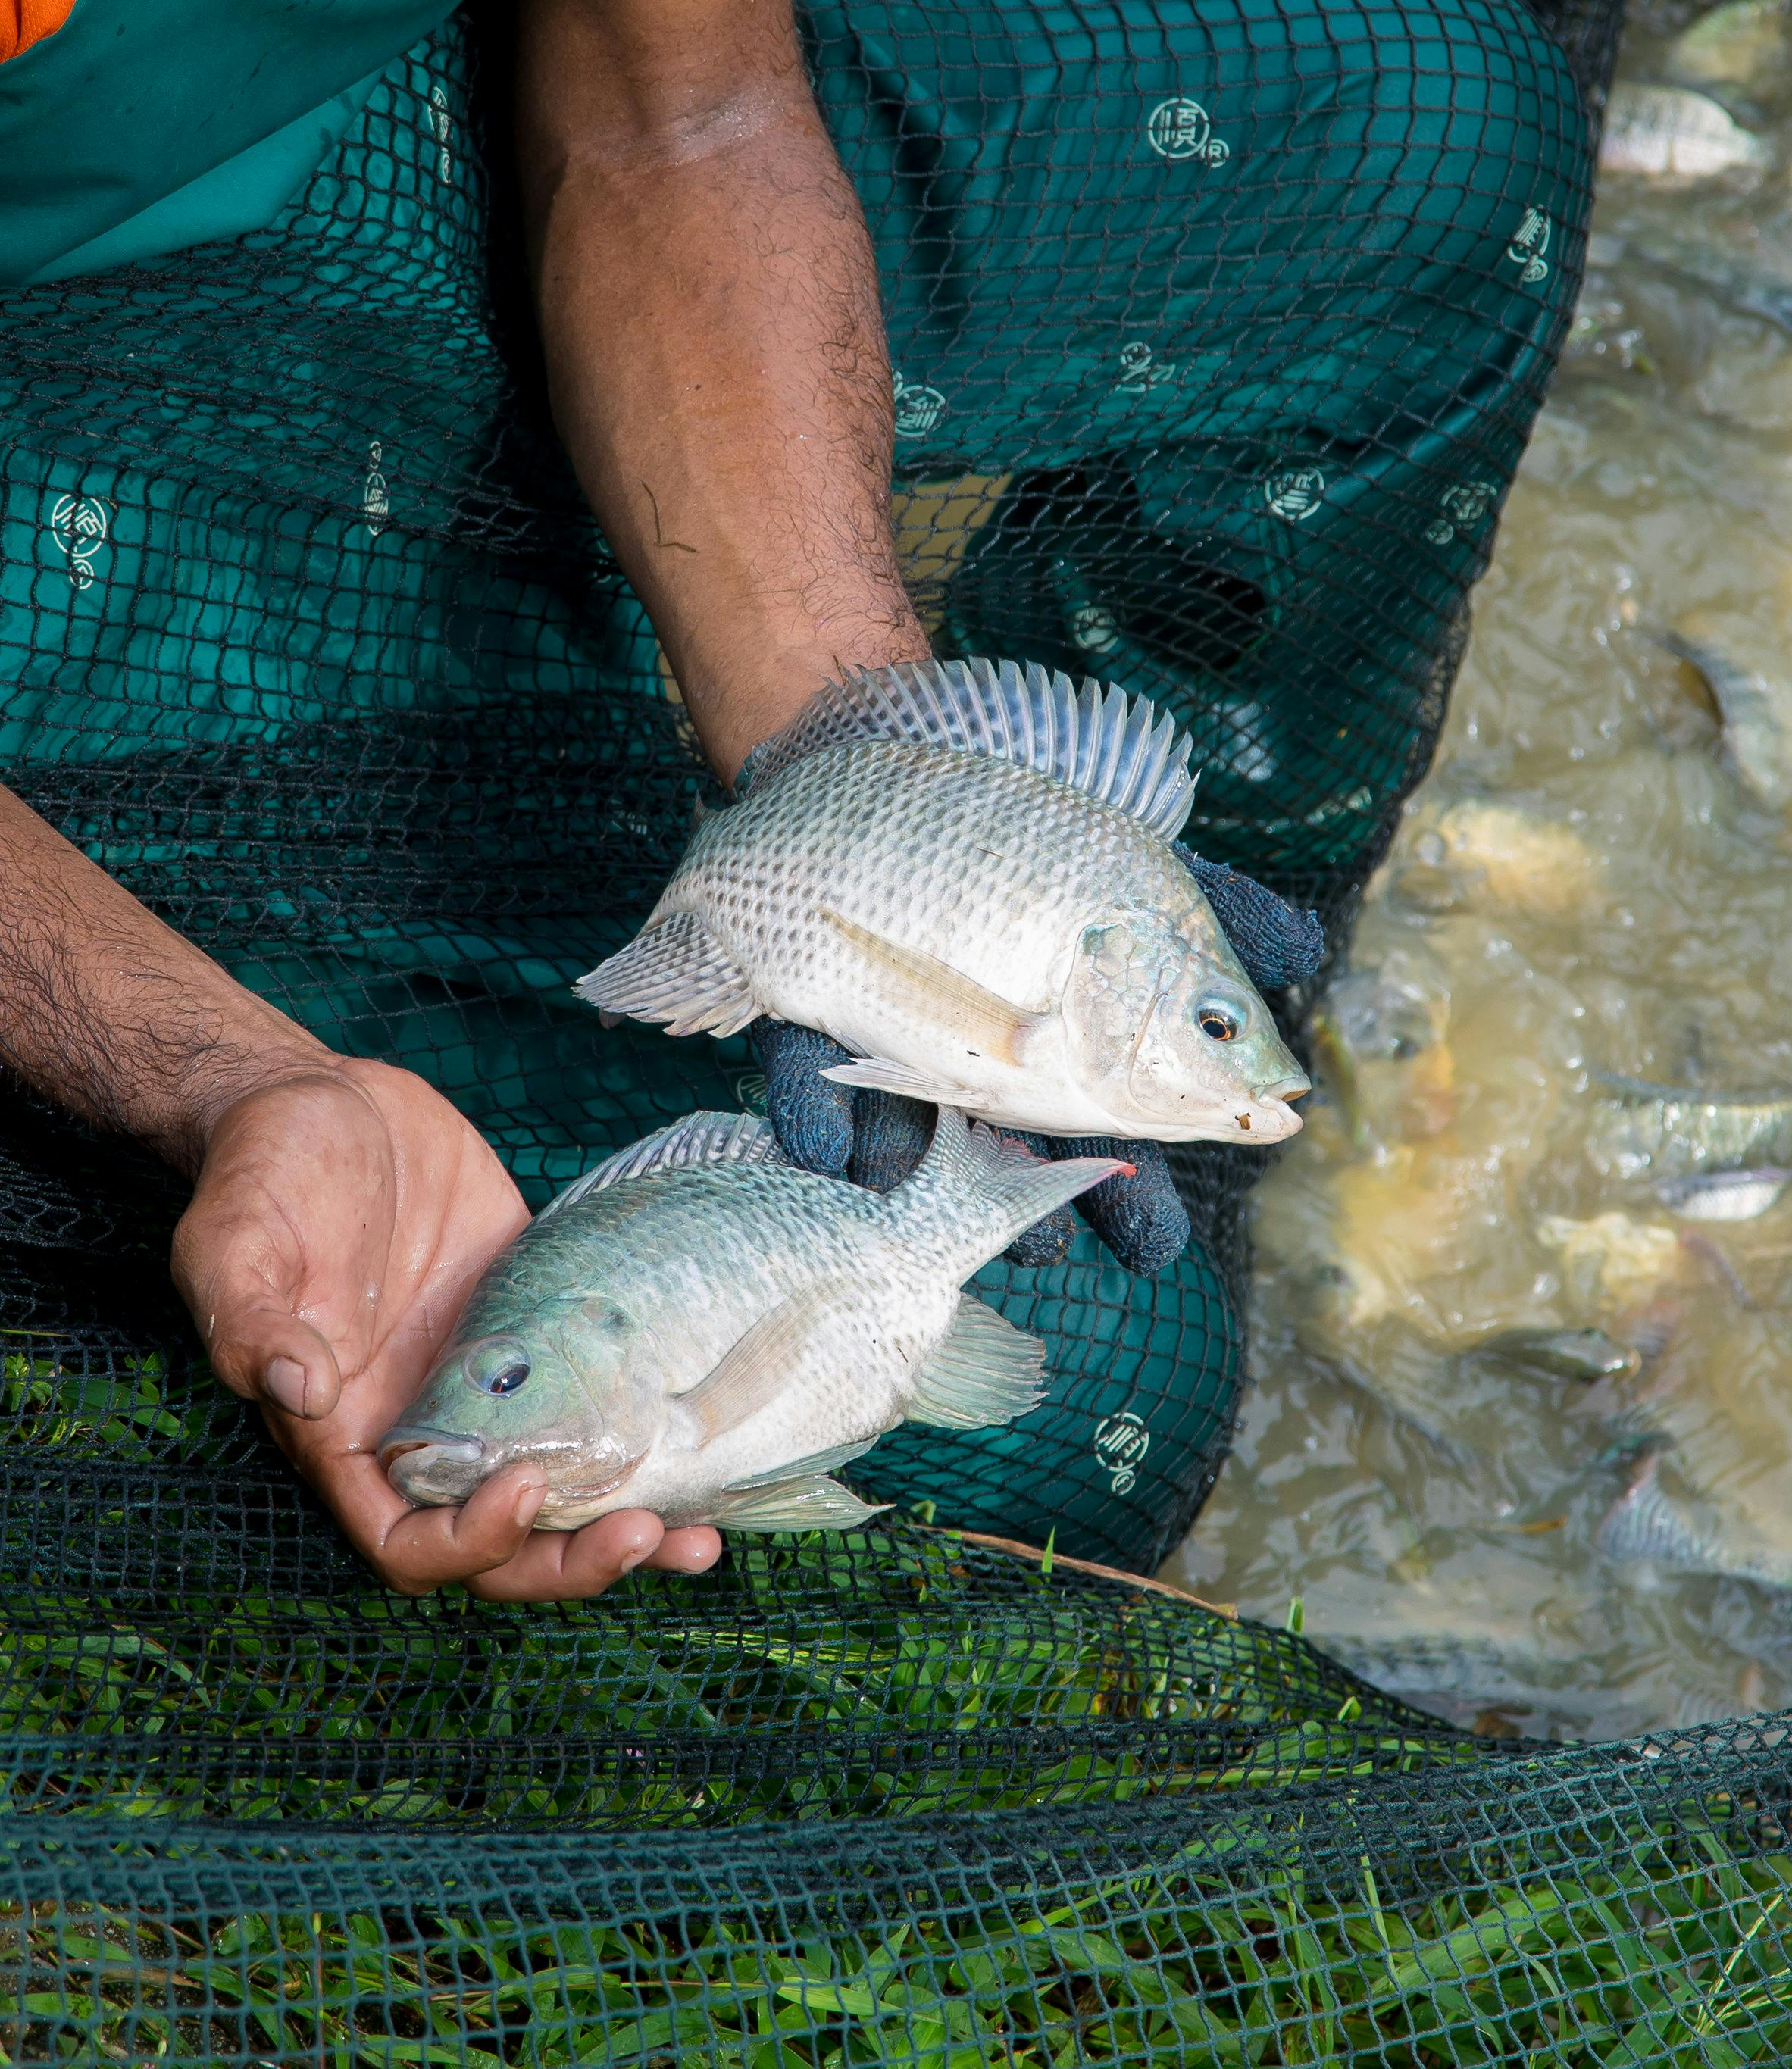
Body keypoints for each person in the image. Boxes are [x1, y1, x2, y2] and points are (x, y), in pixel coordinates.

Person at [0, 0, 1586, 1599]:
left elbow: (679, 115)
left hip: (435, 113)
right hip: (59, 427)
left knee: (1436, 135)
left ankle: (1210, 974)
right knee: (1093, 1385)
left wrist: (863, 752)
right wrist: (215, 1069)